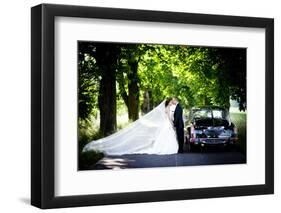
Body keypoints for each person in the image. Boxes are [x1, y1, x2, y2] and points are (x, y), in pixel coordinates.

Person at [83, 98, 179, 155]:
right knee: (167, 137)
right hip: (167, 125)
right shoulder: (168, 108)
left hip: (165, 125)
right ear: (168, 102)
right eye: (170, 102)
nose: (171, 103)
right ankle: (164, 149)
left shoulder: (165, 108)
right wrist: (172, 124)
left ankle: (162, 148)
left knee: (164, 137)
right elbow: (169, 118)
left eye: (171, 102)